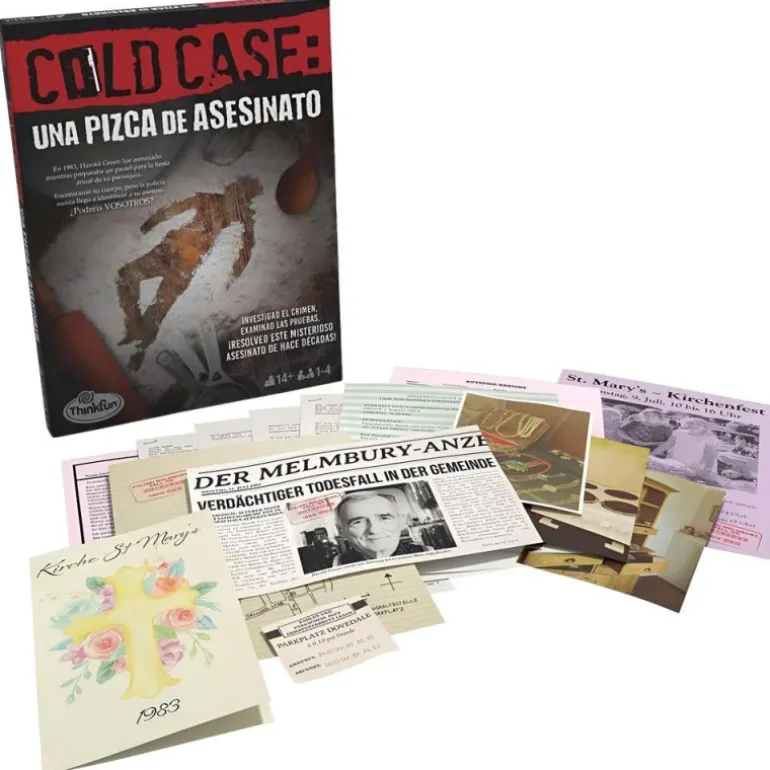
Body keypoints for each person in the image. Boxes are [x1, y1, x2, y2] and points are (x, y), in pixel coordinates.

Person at [333, 491, 432, 565]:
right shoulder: (337, 564)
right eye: (358, 522)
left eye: (384, 518)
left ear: (401, 521)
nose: (374, 530)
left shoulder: (427, 552)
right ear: (341, 531)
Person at [653, 417, 719, 473]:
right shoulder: (678, 432)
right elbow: (666, 446)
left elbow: (710, 457)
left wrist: (707, 471)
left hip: (694, 471)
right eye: (692, 423)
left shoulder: (710, 439)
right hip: (673, 464)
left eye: (698, 424)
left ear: (705, 427)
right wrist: (651, 454)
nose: (694, 425)